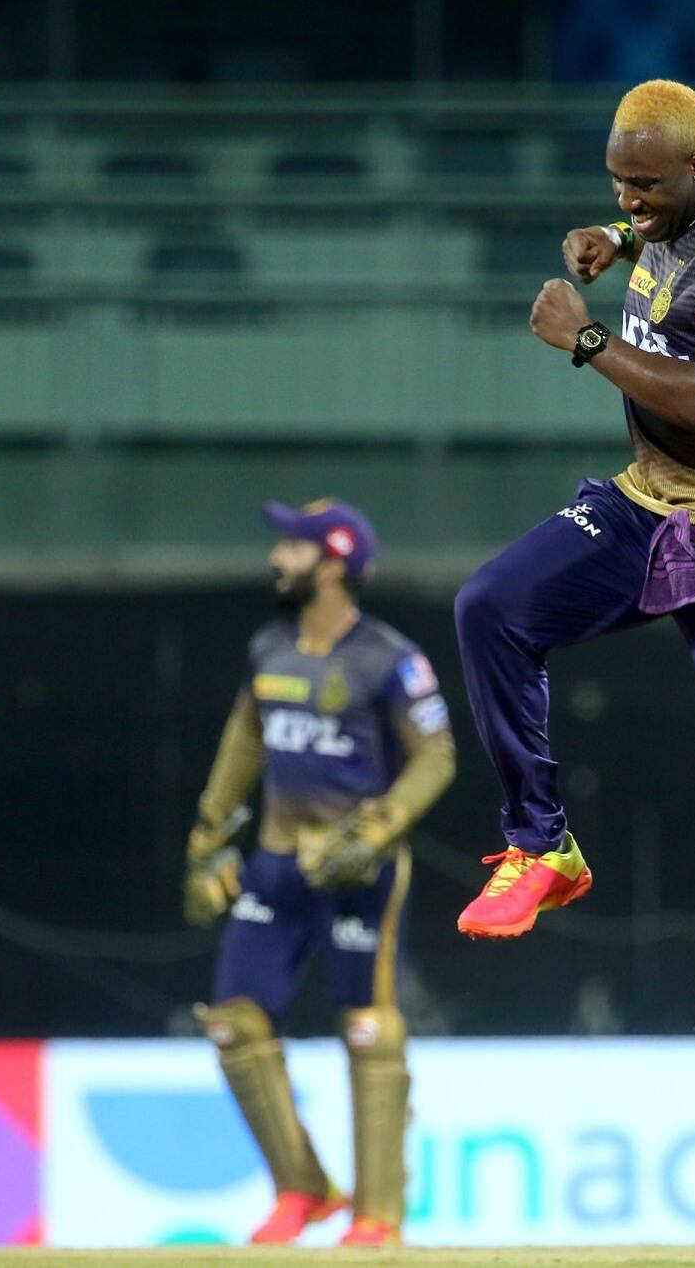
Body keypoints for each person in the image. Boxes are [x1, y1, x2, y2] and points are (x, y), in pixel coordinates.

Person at [452, 79, 695, 1176]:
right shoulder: (661, 221)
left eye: (640, 186)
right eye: (612, 182)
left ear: (693, 171)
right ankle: (541, 846)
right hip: (654, 504)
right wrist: (616, 243)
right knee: (491, 608)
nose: (624, 197)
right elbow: (659, 250)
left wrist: (582, 343)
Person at [182, 499, 455, 1246]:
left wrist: (380, 827)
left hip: (356, 870)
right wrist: (208, 837)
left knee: (368, 1029)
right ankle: (303, 1189)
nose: (278, 558)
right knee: (235, 1026)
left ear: (332, 560)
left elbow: (436, 755)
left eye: (292, 548)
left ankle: (379, 1214)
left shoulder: (390, 658)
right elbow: (245, 739)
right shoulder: (269, 647)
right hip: (273, 865)